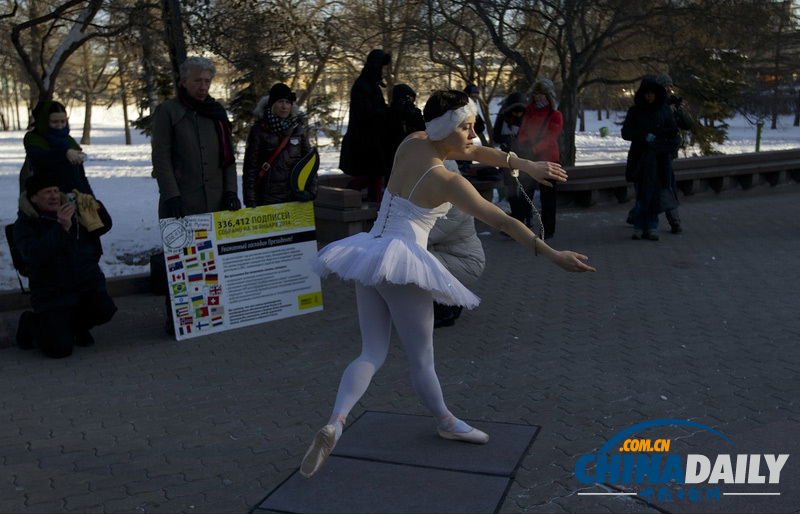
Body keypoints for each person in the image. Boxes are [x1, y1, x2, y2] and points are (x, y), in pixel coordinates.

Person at [299, 90, 595, 479]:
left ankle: (336, 421)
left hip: (369, 252)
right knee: (422, 360)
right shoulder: (446, 181)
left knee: (371, 352)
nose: (473, 135)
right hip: (402, 263)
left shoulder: (412, 142)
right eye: (466, 127)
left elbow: (475, 153)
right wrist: (553, 254)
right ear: (444, 128)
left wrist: (524, 163)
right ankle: (445, 421)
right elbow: (504, 222)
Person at [13, 173, 116, 358]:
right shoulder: (25, 225)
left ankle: (76, 327)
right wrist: (62, 228)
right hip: (51, 293)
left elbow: (103, 228)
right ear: (33, 197)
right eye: (47, 192)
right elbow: (33, 254)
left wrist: (96, 207)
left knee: (105, 309)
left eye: (55, 191)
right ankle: (30, 323)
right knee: (59, 350)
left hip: (83, 285)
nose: (53, 196)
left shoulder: (73, 211)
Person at [151, 56, 241, 220]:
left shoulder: (216, 111)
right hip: (182, 202)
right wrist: (171, 195)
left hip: (217, 202)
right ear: (184, 81)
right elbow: (161, 157)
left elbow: (228, 157)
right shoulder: (168, 111)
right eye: (197, 81)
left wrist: (231, 192)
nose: (203, 87)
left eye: (207, 81)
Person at [428, 160, 486, 328]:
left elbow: (427, 237)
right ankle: (453, 303)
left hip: (468, 262)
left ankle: (444, 313)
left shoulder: (455, 206)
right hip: (454, 256)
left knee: (419, 262)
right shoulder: (443, 200)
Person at [621, 76, 681, 241]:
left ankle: (652, 227)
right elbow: (626, 132)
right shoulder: (635, 111)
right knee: (641, 195)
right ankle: (639, 227)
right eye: (647, 94)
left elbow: (673, 131)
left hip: (659, 159)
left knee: (655, 194)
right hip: (640, 159)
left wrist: (663, 141)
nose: (649, 97)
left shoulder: (663, 110)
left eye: (652, 94)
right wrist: (644, 136)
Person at [242, 83, 316, 207]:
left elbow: (309, 165)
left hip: (295, 199)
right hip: (267, 200)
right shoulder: (259, 131)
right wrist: (250, 198)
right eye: (280, 101)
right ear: (272, 104)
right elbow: (251, 167)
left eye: (288, 102)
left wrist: (310, 192)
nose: (284, 106)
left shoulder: (298, 130)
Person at [339, 49, 392, 203]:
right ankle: (344, 197)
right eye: (384, 68)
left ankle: (375, 207)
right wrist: (387, 112)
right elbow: (367, 114)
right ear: (377, 67)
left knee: (375, 176)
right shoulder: (364, 86)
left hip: (370, 142)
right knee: (370, 175)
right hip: (365, 143)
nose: (385, 72)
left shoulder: (370, 85)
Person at [517, 79, 563, 239]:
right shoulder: (528, 112)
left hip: (549, 159)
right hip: (530, 158)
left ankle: (548, 229)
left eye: (541, 94)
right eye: (535, 93)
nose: (537, 97)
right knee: (524, 193)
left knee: (548, 198)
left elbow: (551, 138)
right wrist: (525, 143)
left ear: (548, 95)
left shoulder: (555, 115)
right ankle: (519, 225)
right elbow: (522, 132)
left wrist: (534, 148)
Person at [23, 101, 94, 196]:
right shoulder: (34, 138)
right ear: (45, 121)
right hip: (49, 198)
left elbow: (81, 177)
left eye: (63, 121)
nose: (59, 126)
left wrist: (92, 200)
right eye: (54, 122)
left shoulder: (69, 141)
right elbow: (37, 158)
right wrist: (65, 154)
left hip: (76, 196)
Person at [492, 92, 528, 225]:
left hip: (523, 157)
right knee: (511, 189)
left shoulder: (526, 118)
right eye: (515, 113)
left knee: (524, 189)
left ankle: (525, 216)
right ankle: (516, 218)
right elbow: (495, 136)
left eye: (520, 113)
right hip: (506, 157)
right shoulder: (503, 118)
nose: (518, 116)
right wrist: (508, 140)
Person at [385, 84, 426, 176]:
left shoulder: (415, 112)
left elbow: (422, 130)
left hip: (413, 152)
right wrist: (397, 113)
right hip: (394, 154)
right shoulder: (390, 113)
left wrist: (412, 114)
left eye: (410, 98)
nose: (409, 101)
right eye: (406, 98)